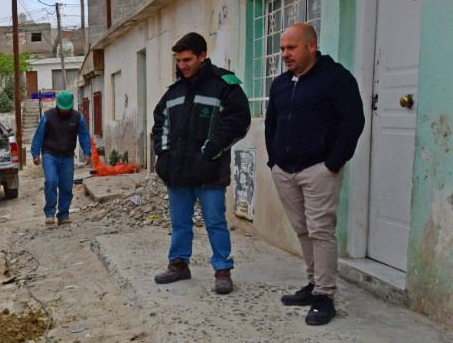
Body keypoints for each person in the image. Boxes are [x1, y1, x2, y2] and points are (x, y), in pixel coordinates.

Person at [265, 23, 366, 326]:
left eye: (291, 48)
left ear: (311, 46)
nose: (285, 54)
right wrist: (274, 161)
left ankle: (324, 295)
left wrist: (333, 162)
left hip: (319, 169)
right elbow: (272, 122)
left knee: (321, 230)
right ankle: (313, 284)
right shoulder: (281, 83)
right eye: (282, 48)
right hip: (285, 170)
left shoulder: (336, 78)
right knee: (302, 230)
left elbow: (353, 121)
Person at [150, 32, 252, 294]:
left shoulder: (224, 85)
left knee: (215, 222)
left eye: (187, 59)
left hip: (210, 171)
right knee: (180, 223)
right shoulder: (174, 91)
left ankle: (222, 269)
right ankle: (179, 265)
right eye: (179, 60)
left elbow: (237, 122)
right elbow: (160, 122)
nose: (182, 65)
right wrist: (163, 155)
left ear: (202, 56)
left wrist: (210, 151)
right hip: (178, 172)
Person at [30, 90, 92, 225]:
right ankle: (50, 213)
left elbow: (84, 136)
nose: (64, 112)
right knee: (51, 181)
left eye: (67, 109)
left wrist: (87, 152)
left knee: (66, 186)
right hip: (49, 154)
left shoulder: (77, 117)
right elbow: (38, 135)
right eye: (62, 109)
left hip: (67, 156)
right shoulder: (48, 116)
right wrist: (35, 154)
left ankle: (63, 215)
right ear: (57, 105)